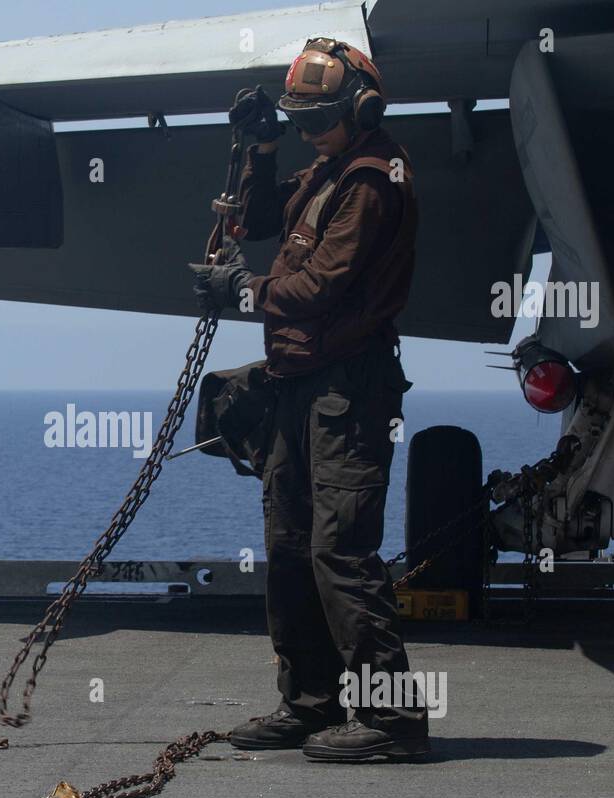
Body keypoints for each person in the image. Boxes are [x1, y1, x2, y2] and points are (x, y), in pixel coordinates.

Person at [189, 37, 429, 760]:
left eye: (316, 120)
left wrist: (244, 289)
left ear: (361, 108)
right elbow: (260, 220)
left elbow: (321, 285)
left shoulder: (372, 179)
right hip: (299, 387)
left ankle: (394, 724)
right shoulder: (329, 166)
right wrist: (258, 147)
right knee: (291, 548)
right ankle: (311, 705)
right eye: (297, 122)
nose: (308, 133)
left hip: (347, 391)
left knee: (342, 553)